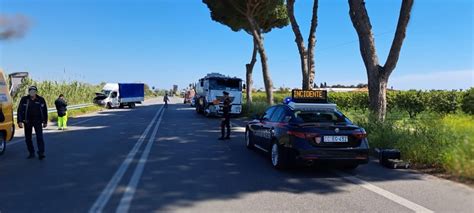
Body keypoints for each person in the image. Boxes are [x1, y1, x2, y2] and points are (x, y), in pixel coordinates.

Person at [17, 86, 48, 160]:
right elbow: (20, 110)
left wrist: (45, 121)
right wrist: (19, 121)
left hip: (38, 121)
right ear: (29, 92)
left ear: (36, 92)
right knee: (28, 139)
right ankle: (31, 152)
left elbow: (44, 111)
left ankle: (41, 153)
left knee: (39, 137)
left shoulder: (41, 100)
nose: (32, 92)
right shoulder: (24, 99)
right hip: (27, 121)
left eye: (33, 91)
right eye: (30, 90)